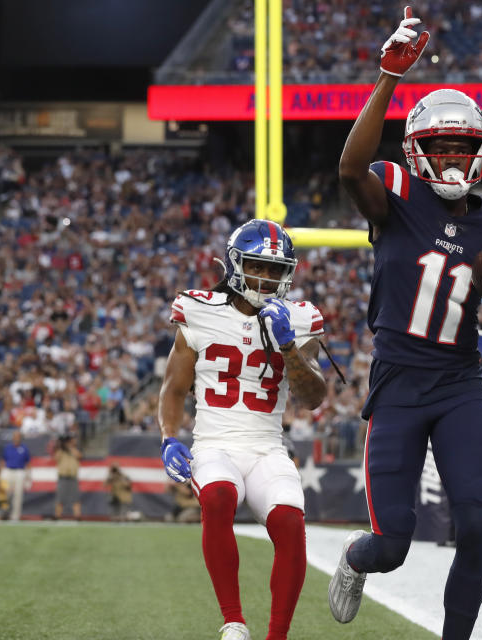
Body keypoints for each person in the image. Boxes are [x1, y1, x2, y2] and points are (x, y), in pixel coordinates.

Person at [328, 8, 482, 639]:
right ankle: (355, 559)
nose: (454, 157)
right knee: (392, 543)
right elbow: (350, 170)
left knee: (475, 524)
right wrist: (386, 79)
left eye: (463, 146)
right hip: (399, 383)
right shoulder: (395, 194)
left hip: (461, 385)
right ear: (416, 150)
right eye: (441, 146)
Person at [158, 219, 328, 640]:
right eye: (258, 266)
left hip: (267, 446)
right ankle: (233, 622)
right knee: (217, 496)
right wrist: (167, 437)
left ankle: (277, 636)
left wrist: (288, 345)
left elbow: (313, 397)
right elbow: (174, 387)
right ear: (235, 264)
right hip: (215, 443)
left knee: (289, 521)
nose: (267, 278)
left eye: (276, 269)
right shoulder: (198, 309)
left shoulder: (300, 317)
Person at [1, 429, 30, 520]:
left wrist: (28, 476)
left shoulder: (24, 448)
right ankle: (4, 513)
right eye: (15, 436)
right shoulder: (8, 448)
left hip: (19, 471)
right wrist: (1, 472)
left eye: (18, 437)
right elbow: (3, 460)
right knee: (5, 493)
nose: (16, 438)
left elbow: (28, 463)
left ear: (20, 438)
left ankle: (15, 516)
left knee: (18, 495)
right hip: (8, 470)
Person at [54, 434, 82, 519]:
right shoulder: (61, 451)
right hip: (63, 477)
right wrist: (61, 447)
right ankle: (57, 515)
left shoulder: (75, 450)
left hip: (73, 477)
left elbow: (79, 456)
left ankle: (77, 516)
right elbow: (56, 458)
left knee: (75, 497)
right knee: (60, 498)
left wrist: (70, 448)